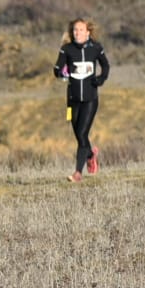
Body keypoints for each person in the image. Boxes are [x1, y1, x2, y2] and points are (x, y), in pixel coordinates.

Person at [52, 18, 110, 183]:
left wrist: (101, 79)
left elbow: (106, 66)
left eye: (81, 30)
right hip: (72, 100)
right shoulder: (66, 49)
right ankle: (91, 155)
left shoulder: (96, 48)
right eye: (75, 30)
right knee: (79, 135)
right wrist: (61, 73)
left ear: (88, 32)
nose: (77, 33)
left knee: (83, 133)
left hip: (91, 99)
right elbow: (56, 69)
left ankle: (78, 173)